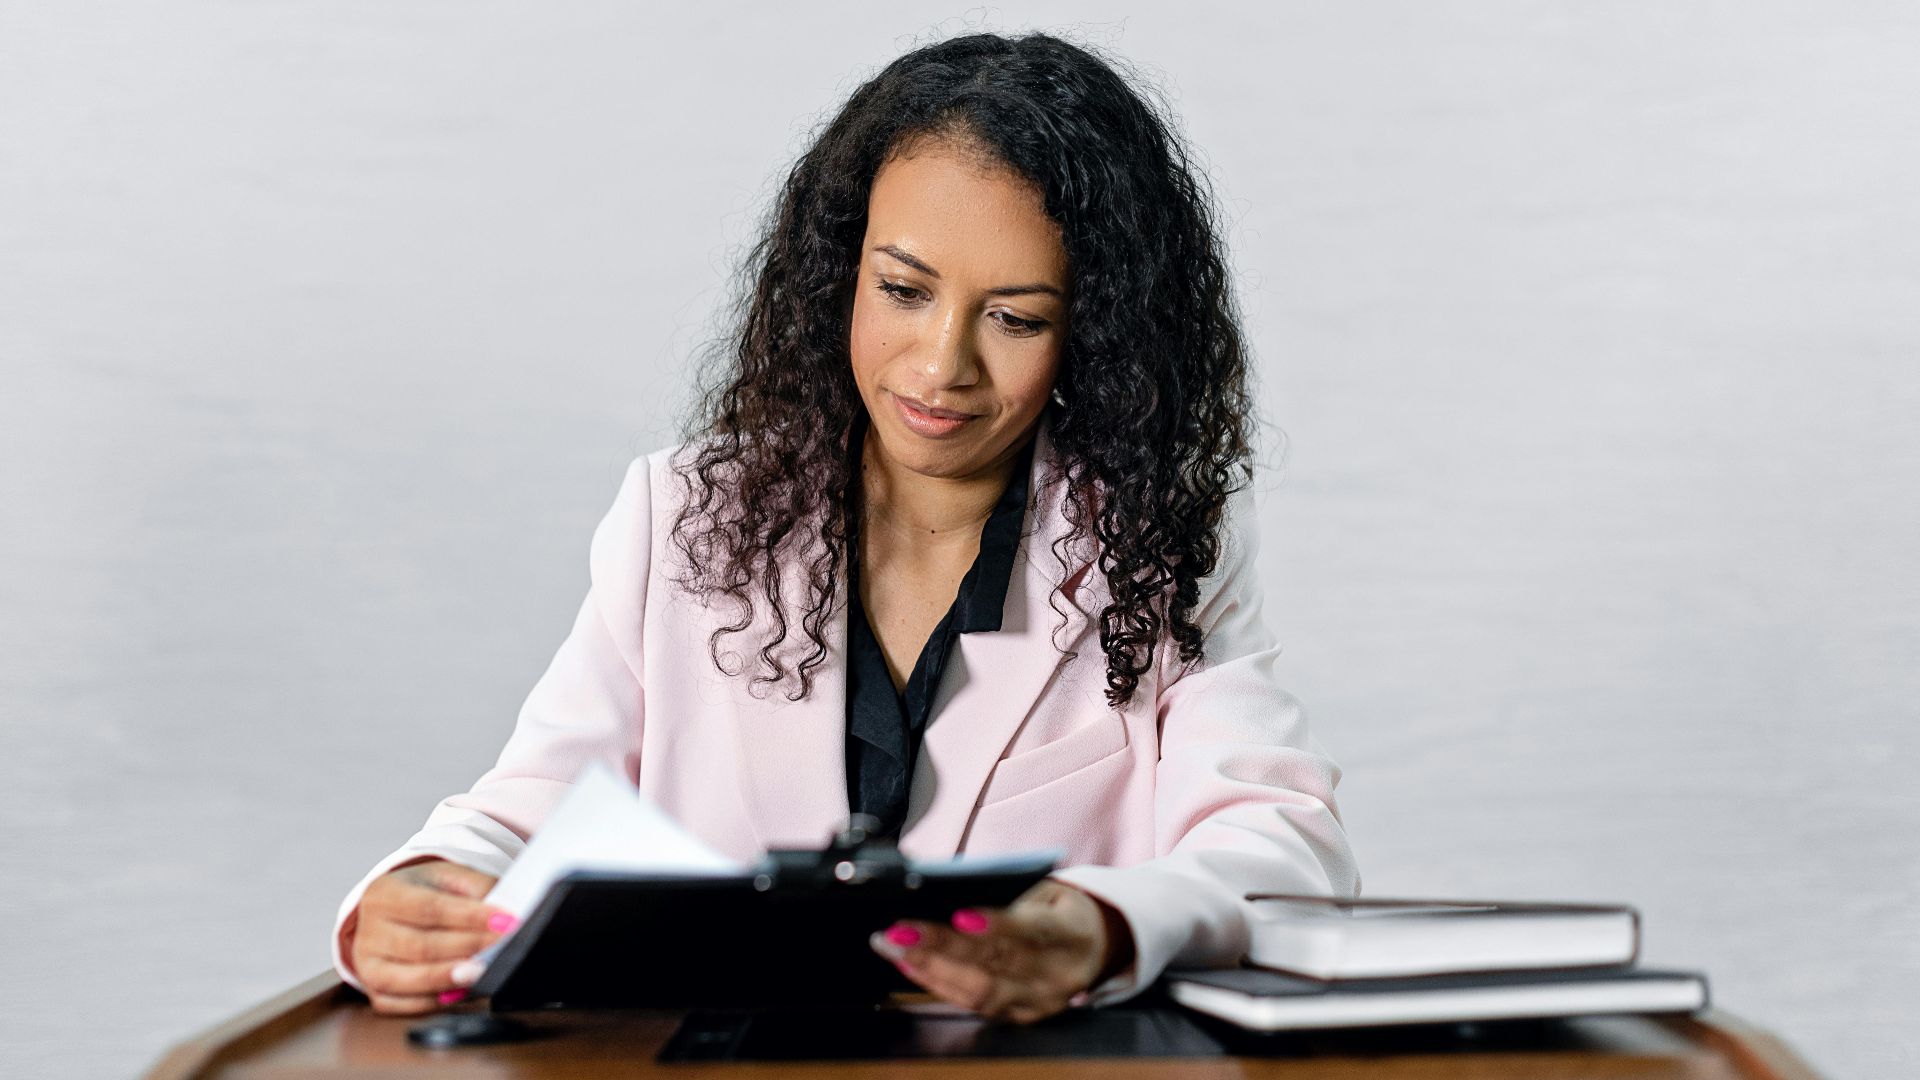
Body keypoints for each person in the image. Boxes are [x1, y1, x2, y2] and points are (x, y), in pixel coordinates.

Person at [330, 30, 1359, 1024]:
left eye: (1016, 318)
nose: (940, 365)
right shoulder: (683, 514)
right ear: (840, 275)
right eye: (903, 291)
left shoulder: (1163, 537)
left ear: (1095, 331)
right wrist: (419, 890)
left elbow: (1282, 849)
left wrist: (1104, 925)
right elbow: (517, 815)